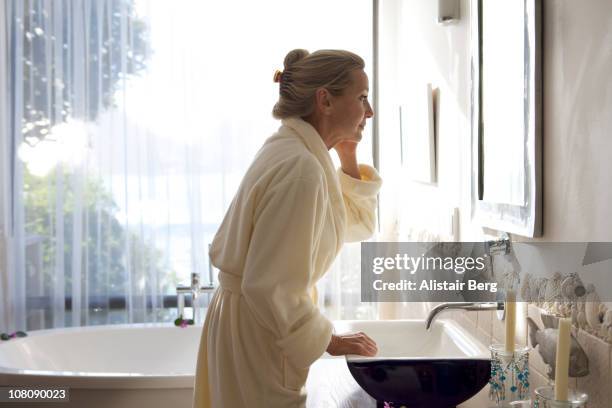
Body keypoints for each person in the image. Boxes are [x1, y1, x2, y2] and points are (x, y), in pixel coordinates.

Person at [193, 49, 382, 408]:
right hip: (258, 332)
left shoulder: (295, 151)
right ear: (325, 100)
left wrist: (347, 155)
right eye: (361, 98)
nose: (369, 111)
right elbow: (269, 286)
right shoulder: (301, 169)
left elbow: (352, 226)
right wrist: (330, 339)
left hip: (244, 323)